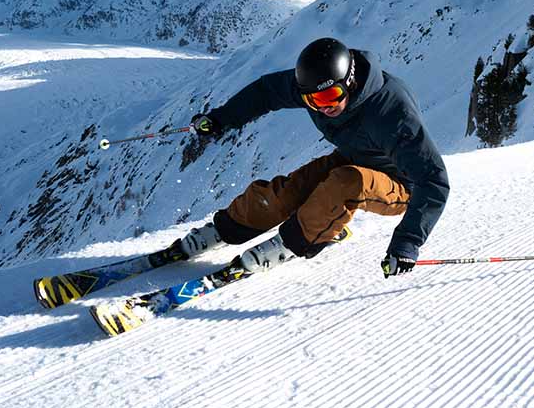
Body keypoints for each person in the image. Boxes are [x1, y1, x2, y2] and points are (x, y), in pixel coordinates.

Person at [173, 37, 449, 278]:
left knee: (345, 182)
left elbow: (432, 179)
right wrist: (220, 119)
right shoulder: (315, 89)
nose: (323, 106)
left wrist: (407, 243)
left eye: (330, 96)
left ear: (350, 82)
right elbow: (266, 92)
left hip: (401, 184)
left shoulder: (391, 112)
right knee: (293, 188)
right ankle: (228, 227)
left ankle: (295, 241)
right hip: (355, 157)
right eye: (313, 100)